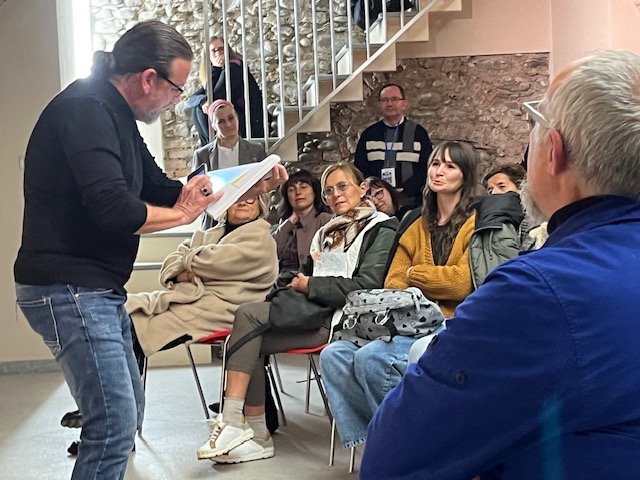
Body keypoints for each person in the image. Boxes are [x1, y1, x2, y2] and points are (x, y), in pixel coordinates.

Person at [13, 21, 286, 480]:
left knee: (125, 413)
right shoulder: (87, 109)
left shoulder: (114, 111)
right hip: (69, 287)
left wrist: (247, 183)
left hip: (94, 288)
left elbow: (159, 186)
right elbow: (113, 208)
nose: (177, 100)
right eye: (176, 89)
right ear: (147, 79)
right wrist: (182, 214)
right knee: (113, 424)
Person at [362, 50, 640, 479]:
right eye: (435, 164)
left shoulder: (537, 291)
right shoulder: (417, 224)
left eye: (534, 125)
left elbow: (391, 460)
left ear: (553, 152)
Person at [196, 163, 399, 464]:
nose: (335, 195)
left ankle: (235, 422)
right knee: (246, 342)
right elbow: (305, 272)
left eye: (342, 187)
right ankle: (254, 434)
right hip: (314, 312)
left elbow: (368, 285)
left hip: (343, 321)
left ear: (362, 189)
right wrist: (297, 283)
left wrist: (310, 285)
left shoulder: (381, 227)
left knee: (248, 317)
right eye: (329, 191)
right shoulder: (328, 231)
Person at [320, 141, 478, 451]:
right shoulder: (417, 224)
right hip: (407, 321)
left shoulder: (474, 223)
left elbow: (460, 284)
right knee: (333, 355)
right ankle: (376, 443)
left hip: (449, 321)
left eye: (450, 166)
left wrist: (414, 275)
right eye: (435, 164)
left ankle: (404, 446)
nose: (439, 171)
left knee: (371, 358)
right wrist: (425, 283)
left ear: (465, 175)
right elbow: (393, 283)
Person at [126, 196, 277, 357]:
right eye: (237, 198)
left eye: (250, 199)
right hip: (189, 298)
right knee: (126, 311)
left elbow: (216, 263)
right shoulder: (210, 233)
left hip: (224, 308)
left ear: (261, 205)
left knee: (140, 331)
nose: (243, 202)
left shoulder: (261, 240)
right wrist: (196, 271)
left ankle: (124, 372)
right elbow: (169, 266)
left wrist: (187, 267)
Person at [355, 83, 432, 207]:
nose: (389, 104)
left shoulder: (418, 133)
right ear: (379, 104)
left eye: (394, 99)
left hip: (411, 202)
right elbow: (360, 169)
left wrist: (406, 191)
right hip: (376, 202)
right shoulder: (369, 135)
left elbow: (426, 168)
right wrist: (378, 192)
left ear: (404, 103)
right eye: (384, 100)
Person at [193, 100, 267, 229]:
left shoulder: (256, 150)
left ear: (237, 119)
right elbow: (196, 190)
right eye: (221, 121)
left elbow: (265, 186)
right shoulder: (202, 155)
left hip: (248, 219)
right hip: (215, 221)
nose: (228, 124)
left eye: (231, 118)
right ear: (213, 126)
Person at [188, 36, 266, 145]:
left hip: (249, 121)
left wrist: (215, 68)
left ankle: (212, 146)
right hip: (233, 118)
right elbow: (192, 99)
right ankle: (210, 146)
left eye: (221, 49)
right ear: (207, 55)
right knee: (197, 107)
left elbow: (216, 96)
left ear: (227, 50)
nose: (218, 53)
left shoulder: (234, 66)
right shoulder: (219, 70)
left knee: (202, 109)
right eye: (214, 51)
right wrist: (202, 101)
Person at [272, 168, 332, 275]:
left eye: (303, 187)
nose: (298, 192)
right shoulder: (285, 225)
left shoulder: (325, 220)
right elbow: (269, 253)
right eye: (291, 189)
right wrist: (290, 221)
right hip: (282, 281)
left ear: (315, 192)